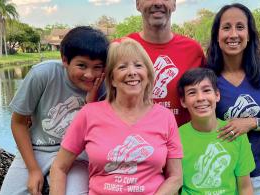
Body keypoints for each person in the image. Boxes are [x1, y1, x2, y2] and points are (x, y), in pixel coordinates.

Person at [50, 38, 183, 195]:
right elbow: (59, 167)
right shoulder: (89, 114)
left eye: (138, 65)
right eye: (122, 67)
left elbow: (176, 177)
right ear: (112, 79)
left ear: (147, 75)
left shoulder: (165, 117)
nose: (132, 72)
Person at [0, 26, 109, 195]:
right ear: (65, 60)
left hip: (77, 154)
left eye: (97, 67)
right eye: (82, 65)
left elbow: (99, 133)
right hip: (37, 148)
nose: (90, 74)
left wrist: (91, 103)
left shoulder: (104, 86)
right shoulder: (42, 74)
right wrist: (33, 170)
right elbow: (18, 123)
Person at [205, 3, 260, 195]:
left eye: (240, 27)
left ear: (249, 34)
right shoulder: (207, 76)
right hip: (219, 177)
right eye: (226, 27)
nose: (233, 34)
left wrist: (251, 123)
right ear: (217, 36)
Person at [177, 68, 255, 195]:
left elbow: (245, 188)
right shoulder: (176, 137)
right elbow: (175, 186)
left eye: (207, 90)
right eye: (192, 93)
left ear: (217, 95)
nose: (200, 98)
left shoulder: (236, 133)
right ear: (183, 101)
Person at [128, 0, 206, 126]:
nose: (158, 3)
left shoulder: (193, 50)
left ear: (174, 4)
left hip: (183, 141)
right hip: (137, 141)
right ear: (137, 4)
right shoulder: (121, 48)